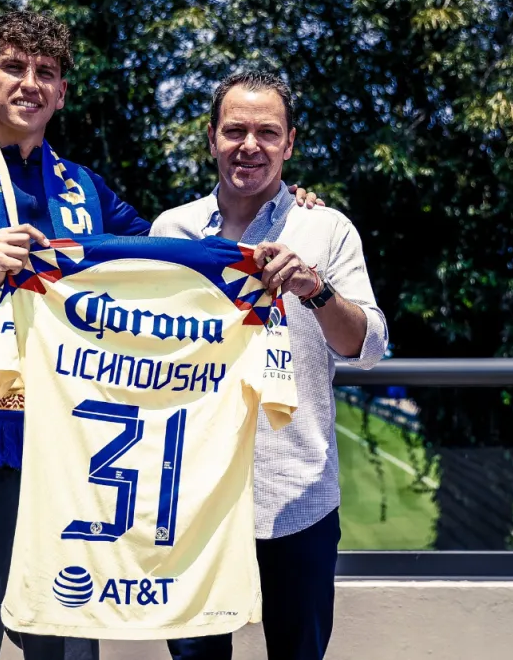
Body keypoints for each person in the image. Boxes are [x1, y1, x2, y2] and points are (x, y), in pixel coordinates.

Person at [0, 12, 323, 660]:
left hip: (72, 471)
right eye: (14, 67)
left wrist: (272, 197)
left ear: (62, 93)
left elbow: (178, 260)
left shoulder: (86, 191)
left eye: (46, 73)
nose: (30, 83)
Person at [150, 71, 389, 660]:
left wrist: (316, 288)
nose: (249, 145)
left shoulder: (326, 229)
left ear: (289, 143)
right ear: (211, 139)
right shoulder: (169, 233)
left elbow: (369, 346)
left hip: (298, 496)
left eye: (266, 132)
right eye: (234, 130)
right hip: (193, 500)